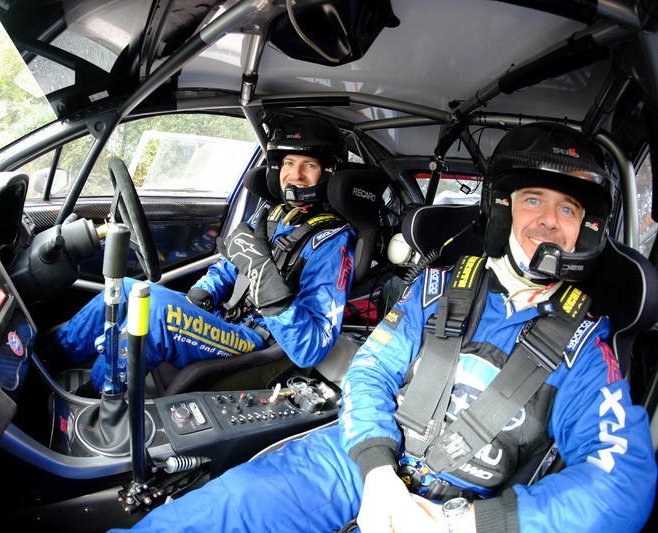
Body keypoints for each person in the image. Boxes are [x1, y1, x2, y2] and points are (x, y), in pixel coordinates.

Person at [111, 123, 656, 532]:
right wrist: (377, 471)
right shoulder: (439, 286)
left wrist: (463, 524)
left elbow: (622, 485)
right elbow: (371, 370)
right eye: (533, 200)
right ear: (501, 210)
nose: (548, 221)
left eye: (568, 210)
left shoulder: (586, 349)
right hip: (362, 461)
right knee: (223, 507)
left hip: (470, 506)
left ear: (585, 231)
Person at [52, 116, 357, 394]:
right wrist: (201, 293)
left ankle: (98, 398)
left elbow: (312, 348)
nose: (295, 175)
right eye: (289, 163)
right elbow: (227, 270)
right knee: (126, 289)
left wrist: (264, 278)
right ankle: (49, 357)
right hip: (223, 319)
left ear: (328, 173)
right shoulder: (270, 215)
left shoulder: (332, 242)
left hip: (257, 339)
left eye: (309, 166)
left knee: (156, 311)